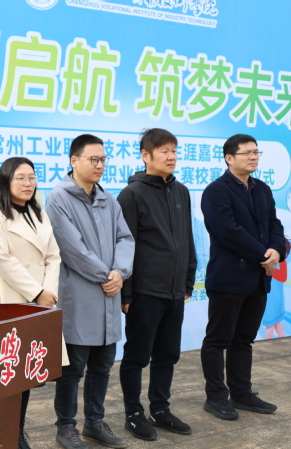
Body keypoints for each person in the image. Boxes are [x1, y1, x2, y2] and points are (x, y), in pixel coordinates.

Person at [45, 134, 134, 449]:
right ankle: (65, 427)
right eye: (93, 159)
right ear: (74, 161)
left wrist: (119, 272)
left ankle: (95, 423)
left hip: (109, 294)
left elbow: (125, 238)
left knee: (102, 366)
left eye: (103, 160)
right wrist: (107, 276)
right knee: (72, 370)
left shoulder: (108, 199)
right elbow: (72, 249)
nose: (99, 165)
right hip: (81, 296)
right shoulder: (58, 198)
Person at [0, 157, 68, 449]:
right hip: (11, 300)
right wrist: (36, 292)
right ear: (6, 181)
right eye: (20, 178)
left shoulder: (39, 213)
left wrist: (47, 293)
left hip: (40, 304)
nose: (28, 183)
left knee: (27, 372)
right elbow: (2, 260)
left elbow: (53, 256)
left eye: (31, 177)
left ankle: (17, 432)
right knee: (8, 372)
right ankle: (3, 434)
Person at [116, 128, 196, 441]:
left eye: (174, 150)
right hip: (144, 292)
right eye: (164, 151)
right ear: (145, 156)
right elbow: (124, 246)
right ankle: (133, 414)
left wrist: (188, 280)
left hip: (175, 291)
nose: (171, 156)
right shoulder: (131, 194)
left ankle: (160, 409)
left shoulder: (182, 191)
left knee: (167, 355)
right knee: (136, 356)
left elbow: (187, 238)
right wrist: (126, 292)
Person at [200, 134, 285, 420]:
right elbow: (228, 231)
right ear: (229, 158)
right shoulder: (216, 191)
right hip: (228, 279)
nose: (253, 157)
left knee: (244, 340)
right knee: (217, 340)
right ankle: (216, 397)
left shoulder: (262, 188)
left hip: (257, 279)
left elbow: (274, 224)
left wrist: (277, 251)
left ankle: (241, 393)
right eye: (247, 153)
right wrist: (265, 256)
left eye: (256, 152)